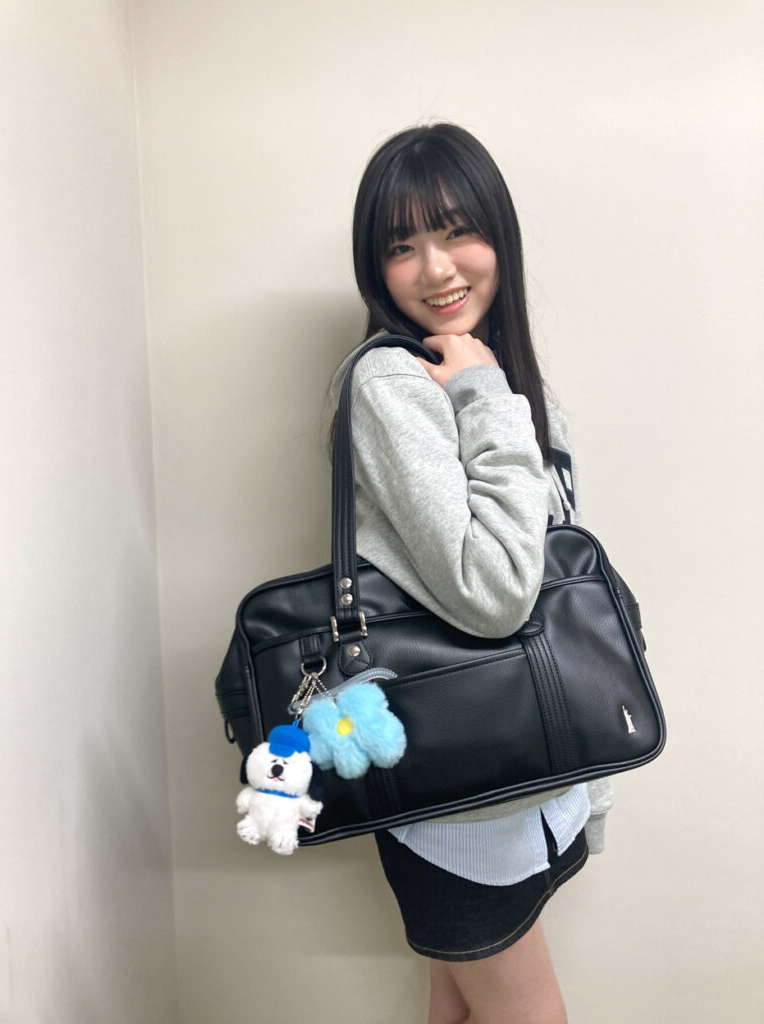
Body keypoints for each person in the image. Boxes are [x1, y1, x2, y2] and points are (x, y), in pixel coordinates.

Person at [328, 123, 614, 1024]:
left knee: (457, 1010)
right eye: (402, 246)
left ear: (499, 235)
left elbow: (555, 578)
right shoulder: (396, 382)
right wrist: (484, 395)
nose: (436, 268)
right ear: (376, 268)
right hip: (464, 801)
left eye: (457, 231)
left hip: (523, 774)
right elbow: (495, 598)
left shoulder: (492, 375)